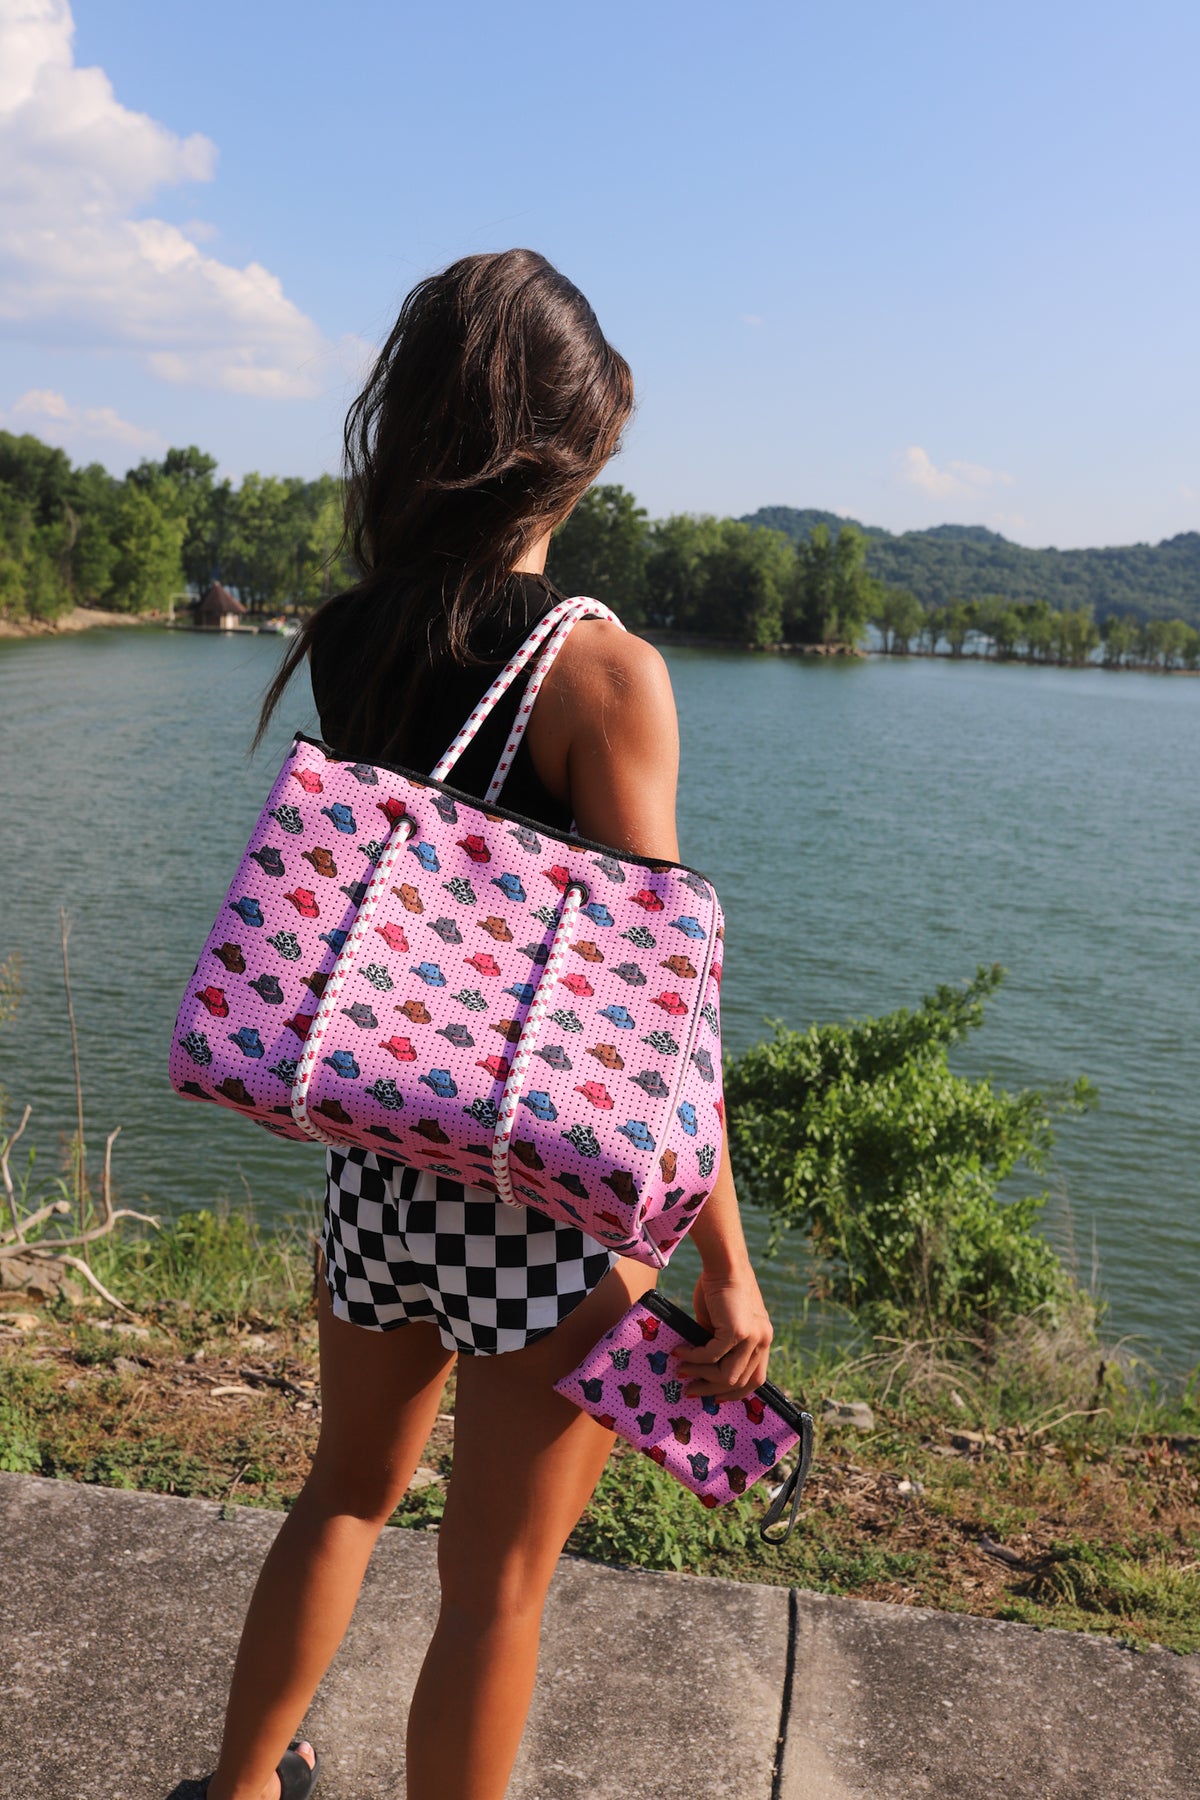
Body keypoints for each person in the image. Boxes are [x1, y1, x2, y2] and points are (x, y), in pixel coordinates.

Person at [203, 248, 773, 1800]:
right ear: (569, 449)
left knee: (338, 1498)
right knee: (497, 1585)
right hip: (547, 1215)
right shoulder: (603, 672)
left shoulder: (355, 630)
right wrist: (727, 1265)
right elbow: (656, 1016)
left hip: (381, 1181)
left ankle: (242, 1788)